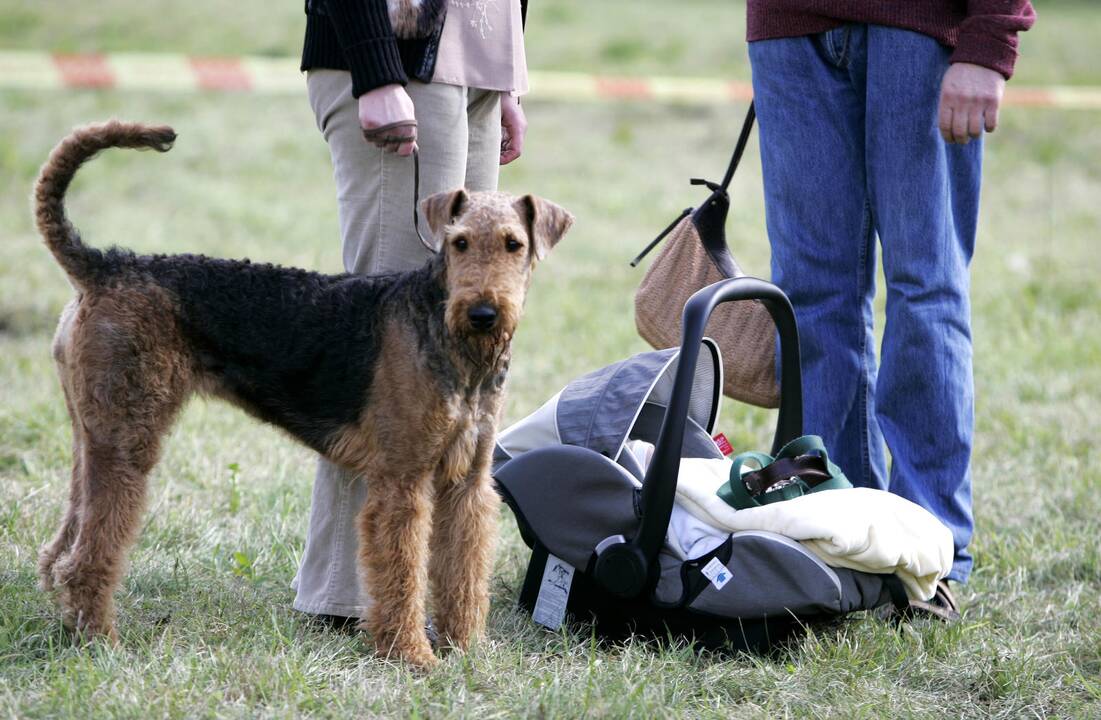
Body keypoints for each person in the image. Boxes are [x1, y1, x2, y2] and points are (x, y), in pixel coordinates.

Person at [745, 2, 1035, 617]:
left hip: (922, 23)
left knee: (924, 287)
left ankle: (930, 558)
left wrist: (988, 40)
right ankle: (833, 538)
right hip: (788, 24)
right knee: (809, 294)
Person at [291, 0, 529, 623]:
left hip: (476, 65)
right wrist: (374, 68)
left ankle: (446, 607)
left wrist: (506, 73)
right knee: (390, 370)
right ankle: (349, 597)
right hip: (399, 62)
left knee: (464, 370)